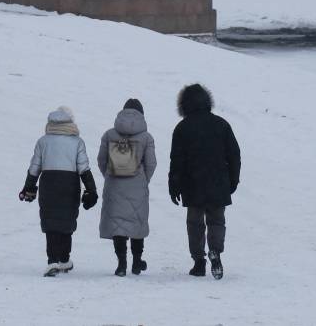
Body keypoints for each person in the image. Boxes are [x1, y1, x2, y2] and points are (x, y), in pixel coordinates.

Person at [168, 83, 241, 280]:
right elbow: (234, 155)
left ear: (184, 104)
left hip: (192, 183)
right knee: (217, 220)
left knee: (195, 223)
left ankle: (198, 261)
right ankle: (215, 250)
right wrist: (233, 180)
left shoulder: (182, 128)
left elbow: (177, 160)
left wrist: (174, 185)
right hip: (218, 182)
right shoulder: (221, 124)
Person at [19, 106, 99, 277]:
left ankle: (52, 259)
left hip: (48, 183)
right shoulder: (77, 142)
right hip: (70, 184)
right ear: (71, 122)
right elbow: (84, 168)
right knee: (66, 221)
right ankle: (64, 259)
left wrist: (29, 188)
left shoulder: (43, 141)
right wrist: (91, 190)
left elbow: (34, 168)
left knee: (50, 221)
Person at [96, 98, 157, 277]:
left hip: (114, 185)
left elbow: (101, 160)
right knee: (137, 224)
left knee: (118, 225)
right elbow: (151, 163)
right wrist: (143, 180)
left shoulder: (109, 135)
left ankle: (121, 264)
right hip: (137, 185)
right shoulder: (146, 137)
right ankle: (137, 262)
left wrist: (109, 175)